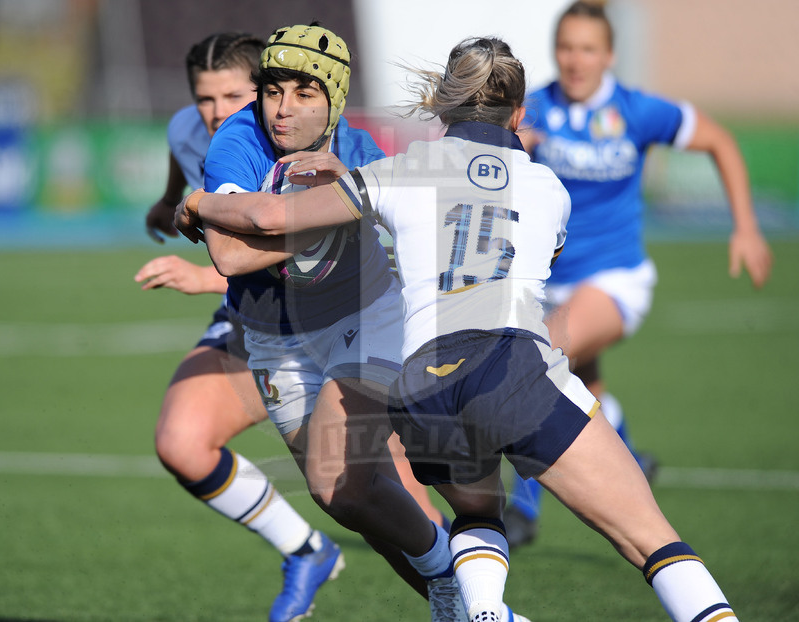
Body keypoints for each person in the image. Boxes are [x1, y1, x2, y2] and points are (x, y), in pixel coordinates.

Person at [175, 34, 742, 622]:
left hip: (427, 383)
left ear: (442, 105)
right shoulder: (550, 189)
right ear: (520, 115)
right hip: (512, 367)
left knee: (475, 519)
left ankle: (487, 614)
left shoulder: (398, 169)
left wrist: (196, 205)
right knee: (655, 542)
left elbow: (265, 216)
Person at [168, 23, 514, 622]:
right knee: (347, 500)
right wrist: (333, 219)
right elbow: (228, 257)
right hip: (271, 339)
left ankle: (465, 585)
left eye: (304, 93)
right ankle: (447, 579)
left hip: (365, 315)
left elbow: (258, 236)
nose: (282, 109)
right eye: (273, 90)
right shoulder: (236, 140)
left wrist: (277, 218)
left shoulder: (358, 154)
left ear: (333, 97)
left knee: (339, 477)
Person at [503, 0, 774, 548]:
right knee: (580, 386)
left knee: (539, 357)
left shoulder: (638, 110)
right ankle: (628, 452)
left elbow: (719, 141)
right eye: (566, 48)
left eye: (588, 49)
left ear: (610, 55)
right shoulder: (538, 111)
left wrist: (745, 227)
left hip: (616, 280)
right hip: (546, 284)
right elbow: (493, 160)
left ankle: (521, 507)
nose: (575, 61)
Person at [134, 32, 347, 622]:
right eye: (204, 99)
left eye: (234, 94)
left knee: (369, 496)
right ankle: (307, 551)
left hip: (328, 321)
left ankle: (475, 596)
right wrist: (167, 201)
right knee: (181, 442)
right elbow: (188, 183)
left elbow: (299, 250)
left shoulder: (298, 145)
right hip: (251, 317)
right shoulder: (188, 130)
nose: (217, 111)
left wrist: (200, 272)